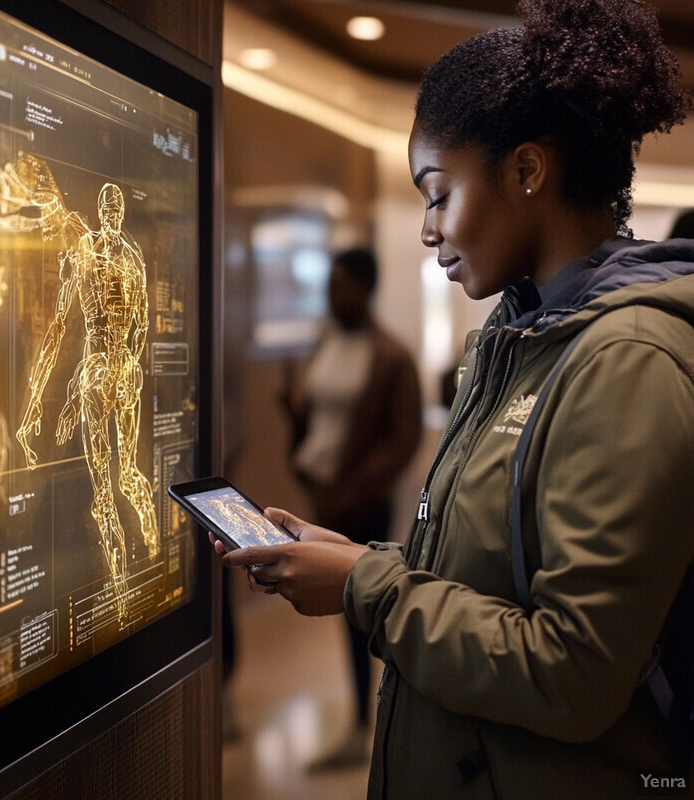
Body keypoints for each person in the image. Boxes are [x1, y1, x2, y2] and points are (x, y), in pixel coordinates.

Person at [215, 0, 694, 797]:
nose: (429, 229)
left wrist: (366, 589)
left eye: (437, 195)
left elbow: (572, 672)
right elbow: (491, 585)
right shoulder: (518, 336)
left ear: (528, 172)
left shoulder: (626, 362)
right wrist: (360, 561)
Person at [280, 247, 422, 768]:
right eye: (329, 286)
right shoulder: (327, 342)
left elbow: (402, 440)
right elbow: (315, 419)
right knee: (345, 617)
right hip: (322, 494)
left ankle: (370, 721)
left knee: (362, 615)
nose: (331, 296)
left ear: (365, 288)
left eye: (340, 286)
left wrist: (353, 489)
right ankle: (362, 721)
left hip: (360, 502)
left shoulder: (390, 355)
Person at [17, 174, 160, 621]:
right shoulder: (125, 258)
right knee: (120, 482)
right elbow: (123, 329)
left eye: (116, 211)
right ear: (104, 214)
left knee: (120, 482)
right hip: (113, 373)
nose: (114, 218)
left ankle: (145, 570)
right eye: (111, 211)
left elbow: (76, 328)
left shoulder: (111, 257)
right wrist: (41, 399)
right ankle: (135, 585)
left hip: (105, 373)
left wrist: (73, 389)